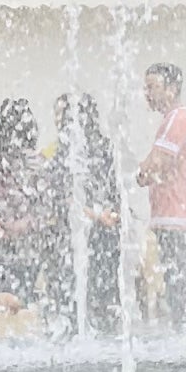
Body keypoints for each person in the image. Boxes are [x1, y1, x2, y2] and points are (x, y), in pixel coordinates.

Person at [42, 92, 121, 334]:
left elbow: (114, 190)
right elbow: (62, 197)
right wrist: (98, 214)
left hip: (101, 234)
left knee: (98, 292)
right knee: (81, 293)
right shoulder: (65, 151)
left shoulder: (100, 148)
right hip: (78, 233)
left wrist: (112, 214)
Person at [138, 63, 186, 328]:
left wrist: (139, 173)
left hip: (178, 217)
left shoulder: (177, 118)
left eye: (152, 87)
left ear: (172, 89)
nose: (147, 93)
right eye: (146, 88)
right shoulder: (172, 119)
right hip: (174, 217)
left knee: (179, 288)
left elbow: (156, 164)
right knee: (177, 287)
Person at [0, 98, 43, 301]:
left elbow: (45, 208)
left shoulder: (33, 163)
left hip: (20, 253)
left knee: (10, 306)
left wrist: (22, 224)